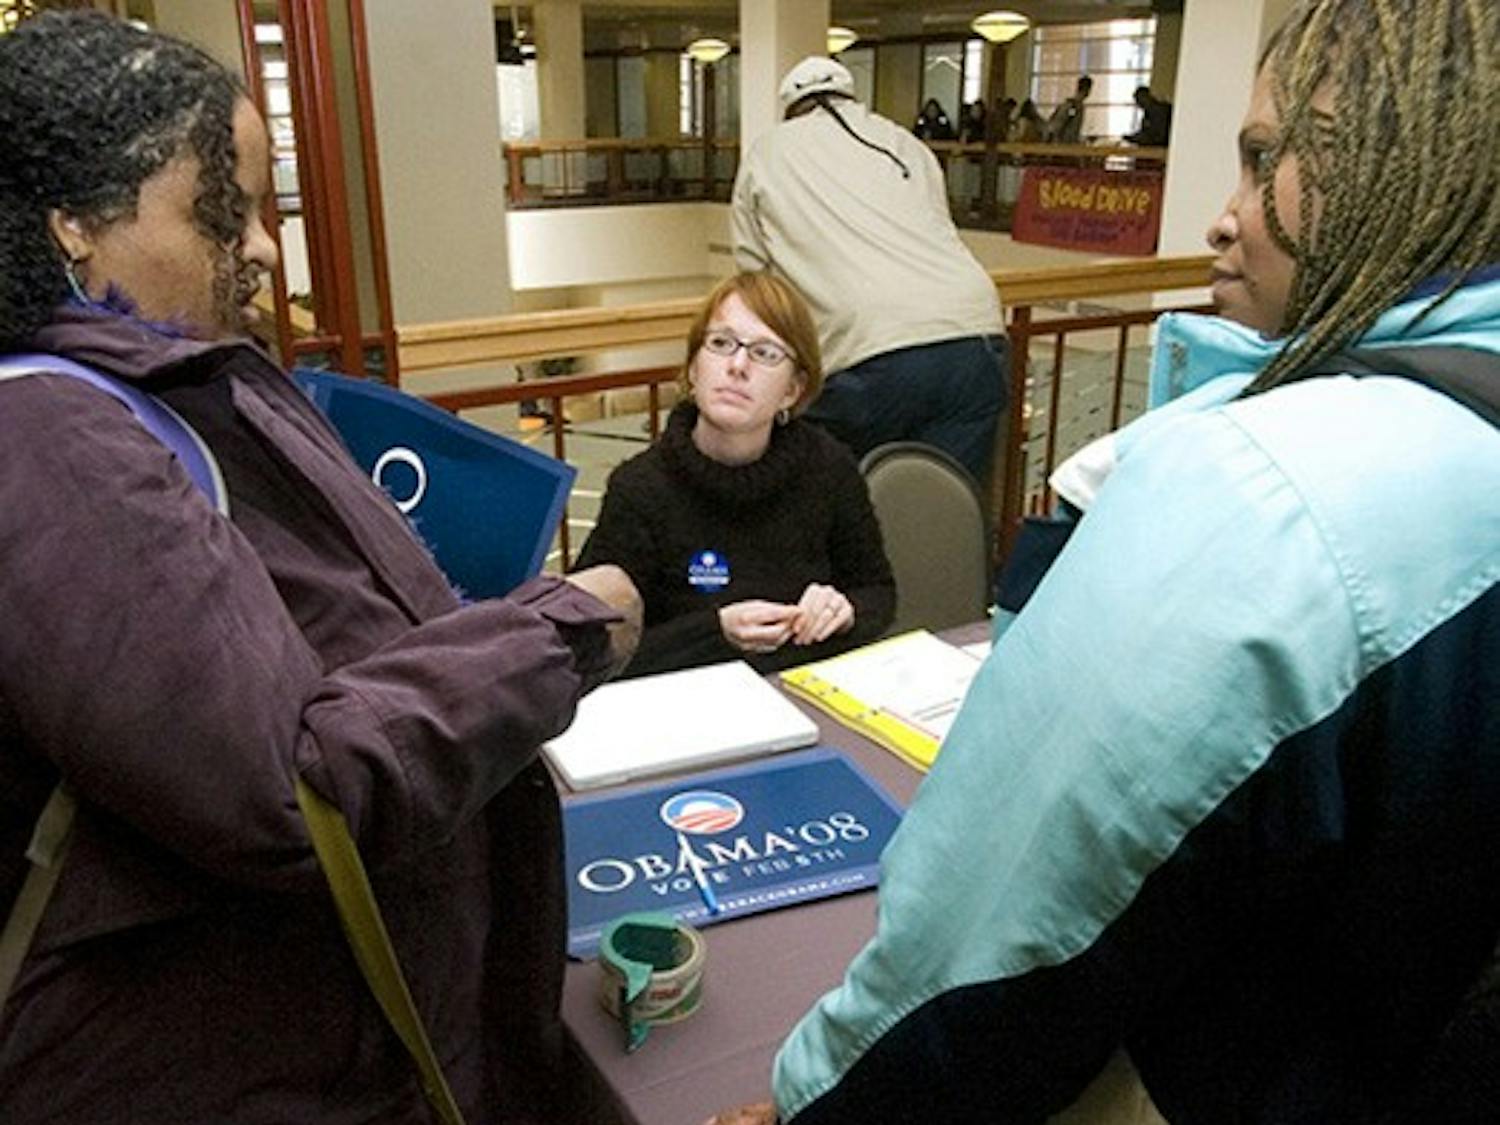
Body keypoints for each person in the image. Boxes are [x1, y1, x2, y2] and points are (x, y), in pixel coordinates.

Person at [711, 0, 1499, 1121]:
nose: (1220, 219)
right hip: (970, 333)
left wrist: (812, 1105)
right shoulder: (894, 143)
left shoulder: (1263, 494)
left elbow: (998, 935)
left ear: (1393, 159)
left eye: (1264, 156)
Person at [0, 13, 642, 1124]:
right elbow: (291, 792)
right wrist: (560, 631)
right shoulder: (51, 446)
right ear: (76, 225)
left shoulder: (165, 390)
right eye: (222, 206)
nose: (258, 245)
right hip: (256, 1070)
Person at [574, 272, 895, 679]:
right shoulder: (640, 489)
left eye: (765, 353)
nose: (738, 366)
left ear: (793, 391)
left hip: (805, 694)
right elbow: (594, 645)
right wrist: (715, 632)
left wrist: (845, 612)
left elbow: (879, 592)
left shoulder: (828, 468)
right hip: (687, 704)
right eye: (721, 344)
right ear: (693, 368)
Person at [732, 57, 1008, 484]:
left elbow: (752, 274)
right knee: (945, 507)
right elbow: (937, 225)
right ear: (850, 96)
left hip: (870, 348)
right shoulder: (905, 143)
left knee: (828, 497)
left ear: (791, 108)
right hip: (974, 335)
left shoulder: (769, 152)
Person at [1048, 74, 1093, 144]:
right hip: (1065, 145)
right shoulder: (1074, 107)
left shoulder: (1075, 105)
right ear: (1087, 89)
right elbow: (1060, 124)